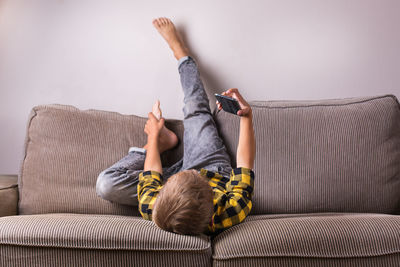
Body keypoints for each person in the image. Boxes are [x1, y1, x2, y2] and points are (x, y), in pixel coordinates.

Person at [96, 17, 255, 235]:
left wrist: (153, 137)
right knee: (194, 108)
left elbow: (152, 174)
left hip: (174, 186)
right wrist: (246, 116)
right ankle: (182, 54)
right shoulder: (231, 210)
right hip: (210, 166)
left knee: (106, 184)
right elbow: (244, 163)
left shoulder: (152, 206)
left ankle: (164, 143)